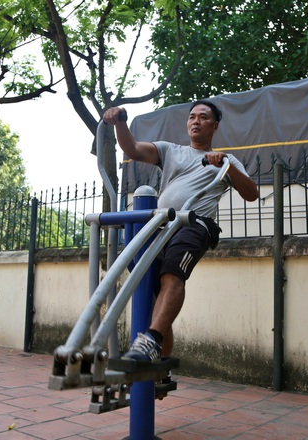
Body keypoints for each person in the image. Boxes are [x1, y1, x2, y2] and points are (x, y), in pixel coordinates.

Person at [103, 100, 259, 363]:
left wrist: (225, 165)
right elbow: (132, 149)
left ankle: (150, 340)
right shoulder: (170, 150)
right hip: (159, 226)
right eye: (192, 117)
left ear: (215, 125)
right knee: (152, 295)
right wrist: (119, 123)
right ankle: (159, 362)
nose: (196, 121)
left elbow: (252, 193)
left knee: (172, 275)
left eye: (203, 117)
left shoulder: (226, 160)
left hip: (193, 224)